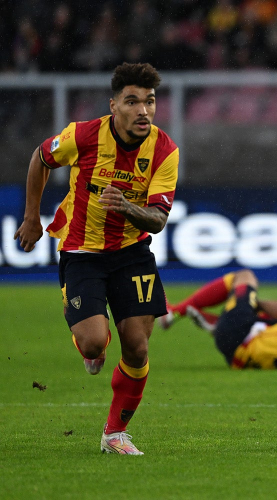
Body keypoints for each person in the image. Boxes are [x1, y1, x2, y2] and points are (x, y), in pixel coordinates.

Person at [14, 63, 179, 455]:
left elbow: (158, 220)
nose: (143, 110)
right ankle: (95, 342)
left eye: (149, 101)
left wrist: (125, 206)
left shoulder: (164, 150)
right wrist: (32, 217)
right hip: (82, 253)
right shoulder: (84, 135)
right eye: (132, 101)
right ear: (113, 105)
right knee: (91, 344)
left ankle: (114, 434)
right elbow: (41, 157)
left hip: (132, 254)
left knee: (137, 348)